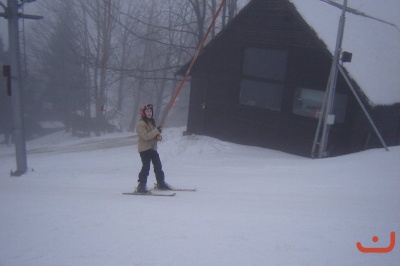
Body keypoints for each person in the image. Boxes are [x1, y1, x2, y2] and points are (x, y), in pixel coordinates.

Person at [135, 104, 171, 193]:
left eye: (150, 111)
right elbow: (146, 136)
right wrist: (156, 131)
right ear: (143, 112)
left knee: (158, 166)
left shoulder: (152, 122)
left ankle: (161, 183)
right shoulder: (140, 124)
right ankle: (141, 186)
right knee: (146, 167)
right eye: (147, 111)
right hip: (144, 149)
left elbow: (154, 135)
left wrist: (158, 137)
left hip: (153, 149)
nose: (149, 113)